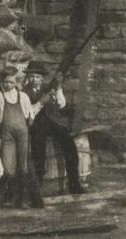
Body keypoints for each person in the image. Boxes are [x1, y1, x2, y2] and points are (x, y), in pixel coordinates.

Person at [24, 61, 86, 195]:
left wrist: (58, 87)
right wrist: (41, 102)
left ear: (42, 78)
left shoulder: (47, 87)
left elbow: (61, 105)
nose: (34, 79)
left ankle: (74, 183)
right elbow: (27, 114)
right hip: (34, 123)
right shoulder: (24, 93)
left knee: (68, 142)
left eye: (37, 76)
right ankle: (38, 184)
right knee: (38, 146)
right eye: (31, 76)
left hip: (50, 121)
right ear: (28, 78)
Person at [0, 66, 42, 208]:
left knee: (24, 167)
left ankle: (23, 199)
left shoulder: (22, 96)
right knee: (8, 167)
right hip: (7, 134)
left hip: (22, 133)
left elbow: (30, 114)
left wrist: (30, 119)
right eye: (5, 82)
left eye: (11, 82)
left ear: (16, 82)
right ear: (1, 82)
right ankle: (9, 196)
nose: (8, 85)